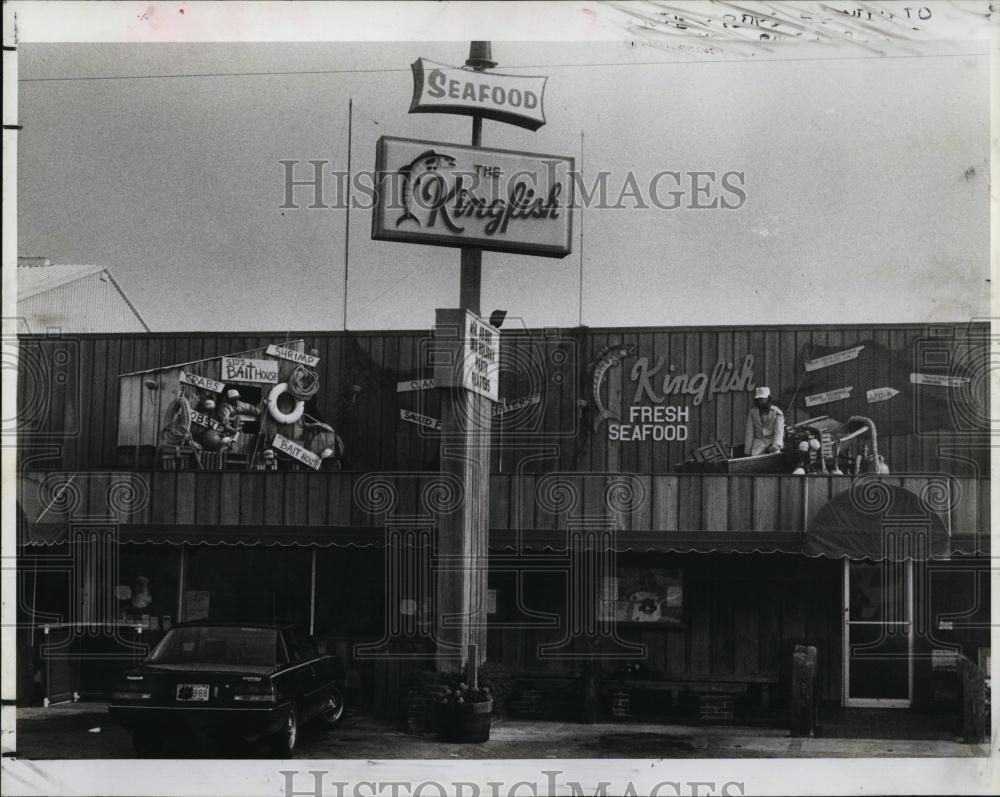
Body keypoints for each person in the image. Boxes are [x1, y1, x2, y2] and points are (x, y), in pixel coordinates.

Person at [744, 386, 785, 456]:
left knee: (774, 458)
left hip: (772, 442)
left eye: (763, 399)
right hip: (758, 443)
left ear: (768, 398)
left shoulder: (777, 412)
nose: (760, 401)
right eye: (759, 399)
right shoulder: (752, 413)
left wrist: (775, 446)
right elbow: (749, 432)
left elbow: (779, 431)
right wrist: (747, 451)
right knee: (754, 459)